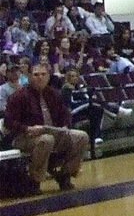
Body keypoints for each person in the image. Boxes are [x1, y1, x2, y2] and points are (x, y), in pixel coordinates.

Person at [5, 61, 89, 190]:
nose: (40, 77)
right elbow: (9, 122)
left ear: (48, 76)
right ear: (29, 76)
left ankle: (65, 174)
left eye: (43, 74)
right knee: (46, 140)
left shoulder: (54, 93)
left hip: (53, 132)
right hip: (25, 137)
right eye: (36, 74)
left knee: (81, 136)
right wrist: (27, 128)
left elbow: (65, 114)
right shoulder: (18, 96)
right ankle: (35, 181)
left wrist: (66, 126)